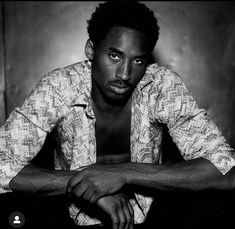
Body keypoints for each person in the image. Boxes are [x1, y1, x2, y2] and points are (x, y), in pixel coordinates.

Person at [0, 1, 235, 229]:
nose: (124, 74)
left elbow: (226, 172)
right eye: (114, 56)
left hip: (152, 217)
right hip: (70, 216)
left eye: (137, 60)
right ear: (91, 49)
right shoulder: (60, 87)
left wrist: (124, 172)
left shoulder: (161, 85)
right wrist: (90, 187)